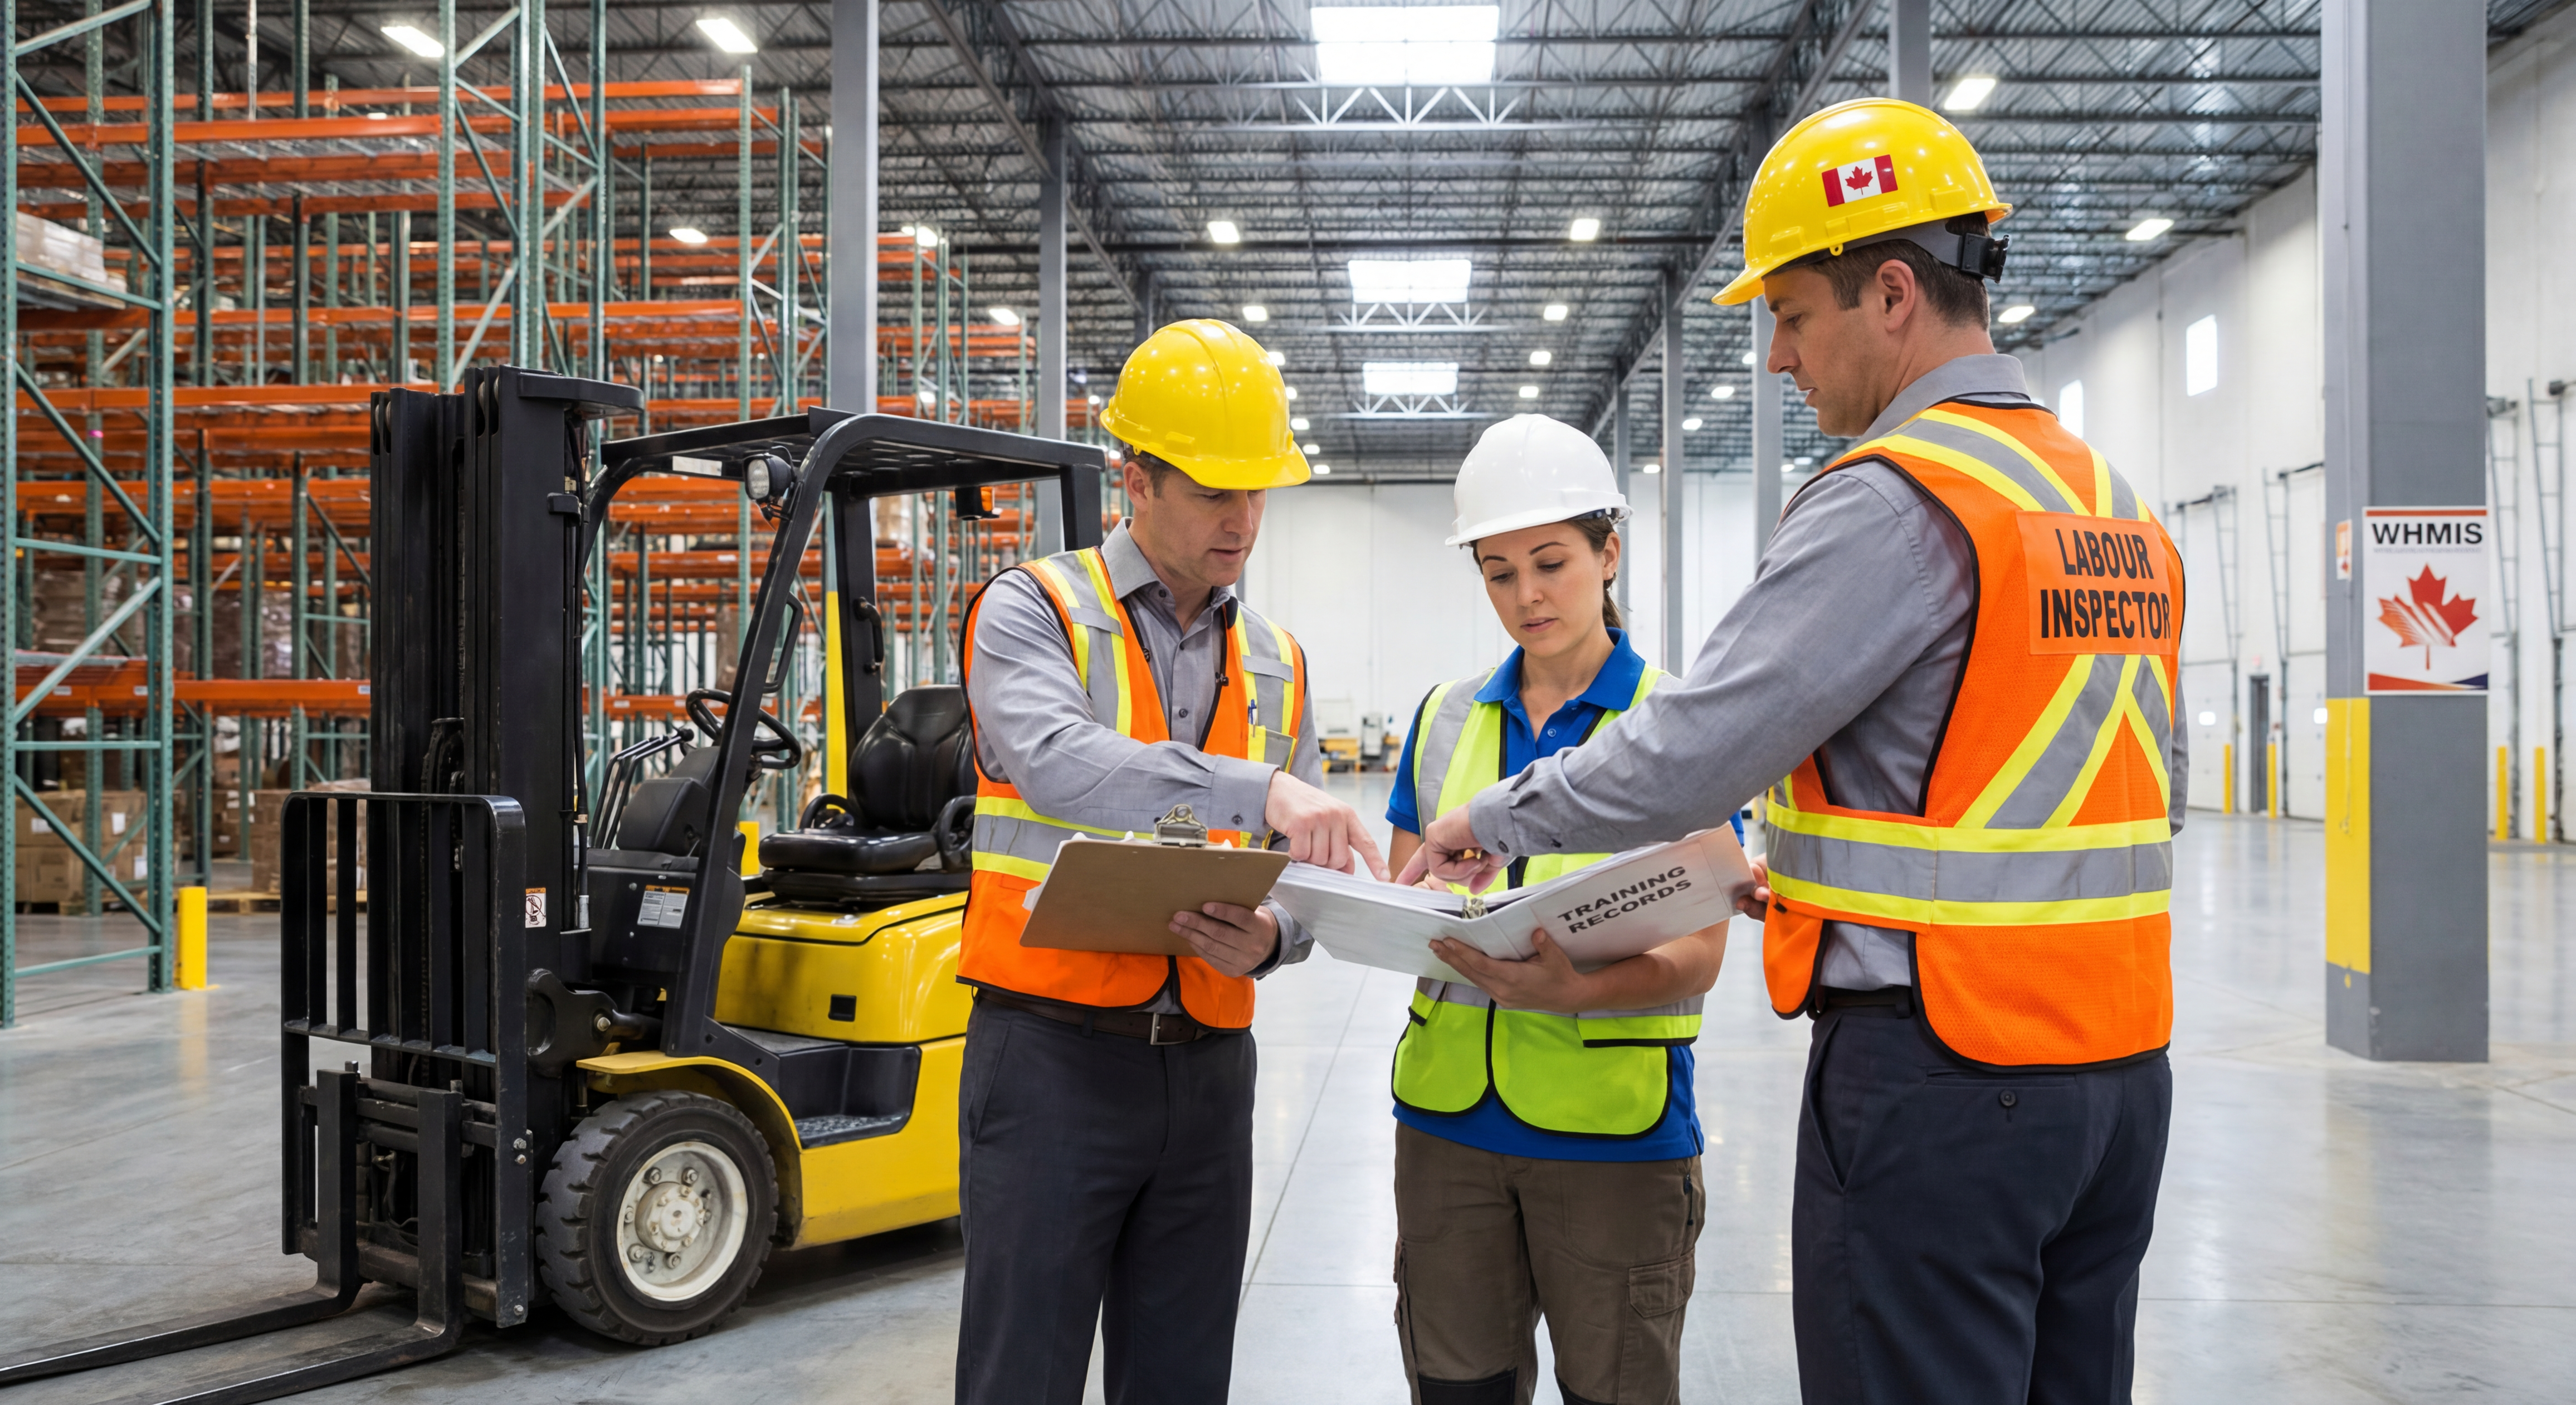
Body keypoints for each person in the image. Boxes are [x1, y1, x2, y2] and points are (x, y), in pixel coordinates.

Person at [1399, 97, 2187, 1405]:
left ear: (1890, 293)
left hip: (1948, 1071)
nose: (1775, 357)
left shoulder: (1902, 496)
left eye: (1792, 316)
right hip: (2117, 1083)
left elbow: (1691, 754)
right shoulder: (2113, 508)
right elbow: (2027, 790)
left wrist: (1497, 818)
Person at [953, 317, 1388, 1405]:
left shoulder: (1276, 661)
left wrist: (1277, 938)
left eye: (1257, 493)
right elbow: (1061, 768)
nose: (1241, 522)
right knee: (1023, 1374)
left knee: (1184, 1376)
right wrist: (1263, 789)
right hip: (1051, 1056)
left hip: (1205, 1068)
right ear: (1132, 480)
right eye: (1210, 492)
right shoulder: (1031, 610)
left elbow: (1290, 881)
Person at [1381, 413, 1733, 1405]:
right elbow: (1401, 888)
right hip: (1446, 1125)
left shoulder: (1675, 722)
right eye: (1498, 573)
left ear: (1607, 550)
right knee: (1456, 1389)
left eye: (1550, 562)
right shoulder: (1446, 717)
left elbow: (1700, 954)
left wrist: (1577, 988)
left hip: (1611, 1137)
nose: (1526, 596)